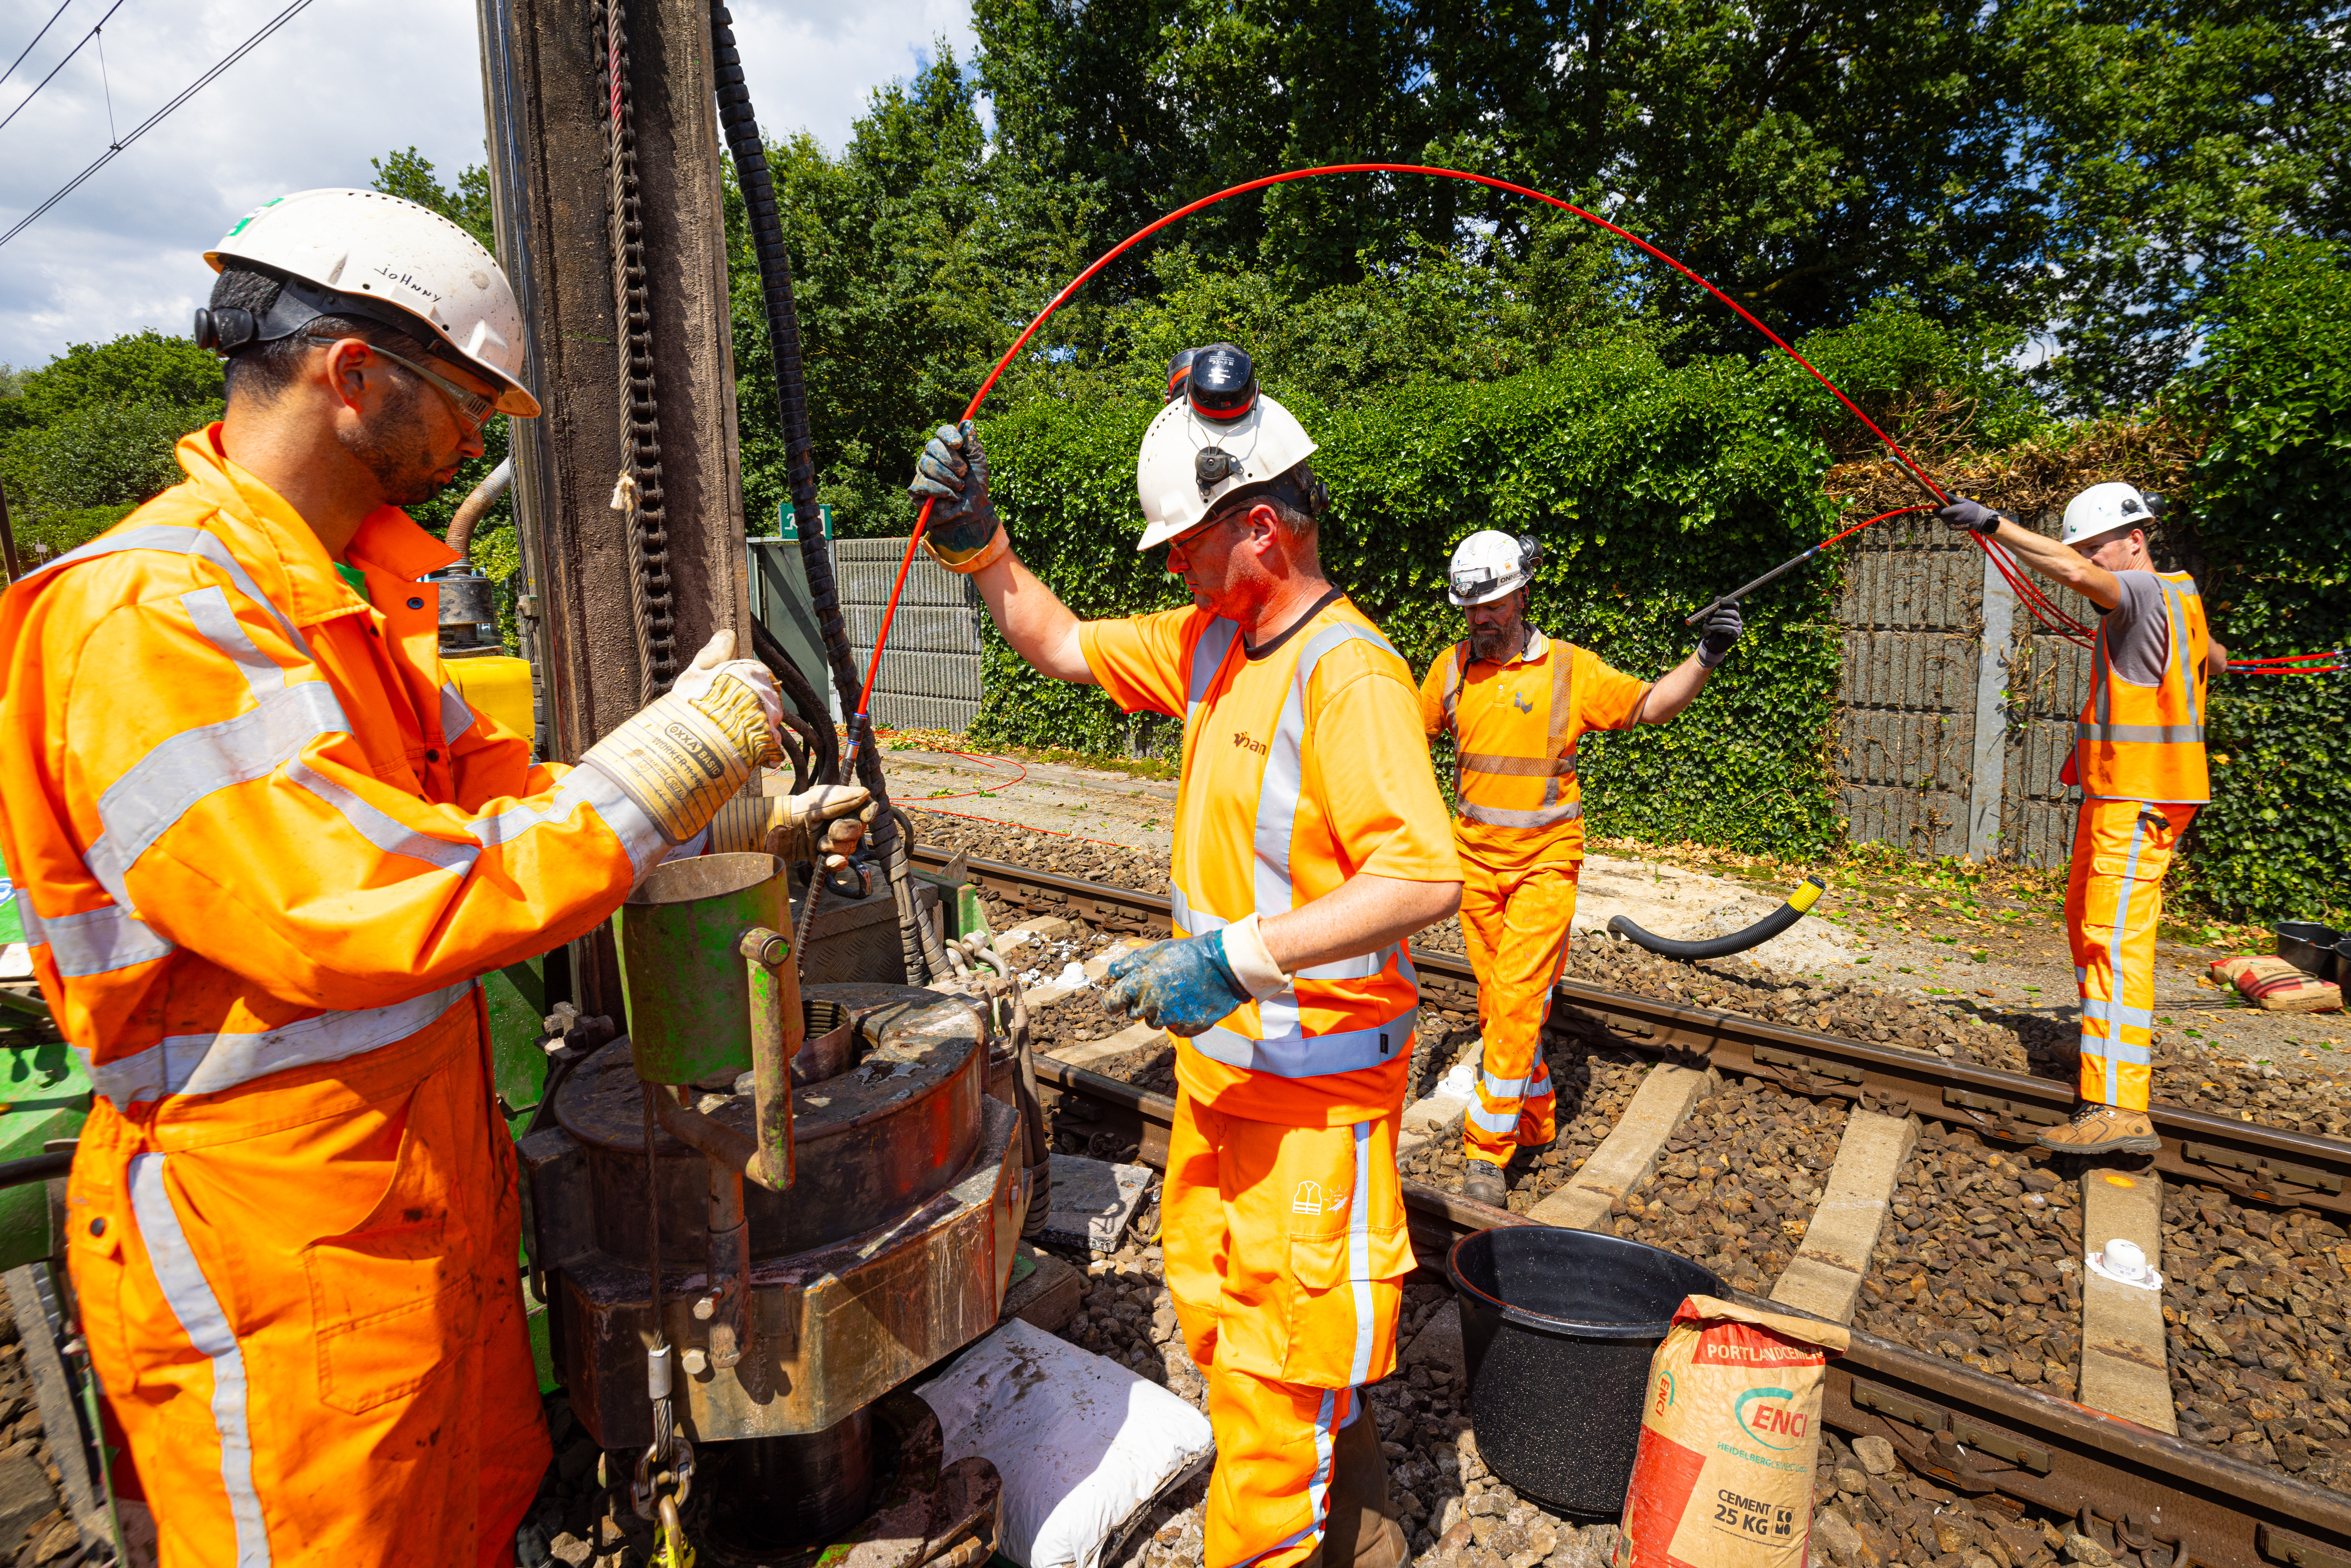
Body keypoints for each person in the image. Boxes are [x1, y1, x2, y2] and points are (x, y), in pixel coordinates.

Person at [0, 188, 868, 1566]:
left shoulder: (335, 614)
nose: (477, 437)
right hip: (272, 1255)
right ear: (354, 377)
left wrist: (716, 811)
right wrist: (663, 765)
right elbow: (361, 908)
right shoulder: (155, 618)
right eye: (466, 400)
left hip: (396, 1218)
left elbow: (507, 815)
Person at [907, 343, 1460, 1568]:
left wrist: (1234, 960)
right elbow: (1057, 643)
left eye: (1188, 548)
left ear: (1261, 528)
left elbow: (1423, 877)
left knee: (1273, 1404)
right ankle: (1350, 1499)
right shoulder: (1217, 641)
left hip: (1313, 1111)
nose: (1173, 569)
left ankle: (1298, 1519)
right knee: (1223, 1336)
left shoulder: (1348, 673)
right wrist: (981, 543)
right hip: (1226, 1091)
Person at [1418, 531, 1744, 1207]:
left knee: (1511, 1000)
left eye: (1491, 605)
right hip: (1474, 865)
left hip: (1544, 864)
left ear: (1521, 595)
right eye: (1470, 608)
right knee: (1500, 1005)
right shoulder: (1449, 671)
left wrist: (1706, 657)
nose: (1479, 619)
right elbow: (1400, 736)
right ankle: (1534, 1119)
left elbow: (1650, 705)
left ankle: (1487, 1152)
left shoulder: (1570, 669)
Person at [1940, 483, 2225, 1155]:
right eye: (2085, 547)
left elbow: (2073, 575)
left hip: (2141, 794)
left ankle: (2120, 1109)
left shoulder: (2143, 592)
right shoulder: (2181, 593)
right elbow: (2210, 656)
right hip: (2130, 794)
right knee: (2087, 920)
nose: (2090, 560)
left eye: (2099, 546)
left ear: (2137, 536)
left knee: (2114, 936)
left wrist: (1994, 524)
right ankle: (2106, 1042)